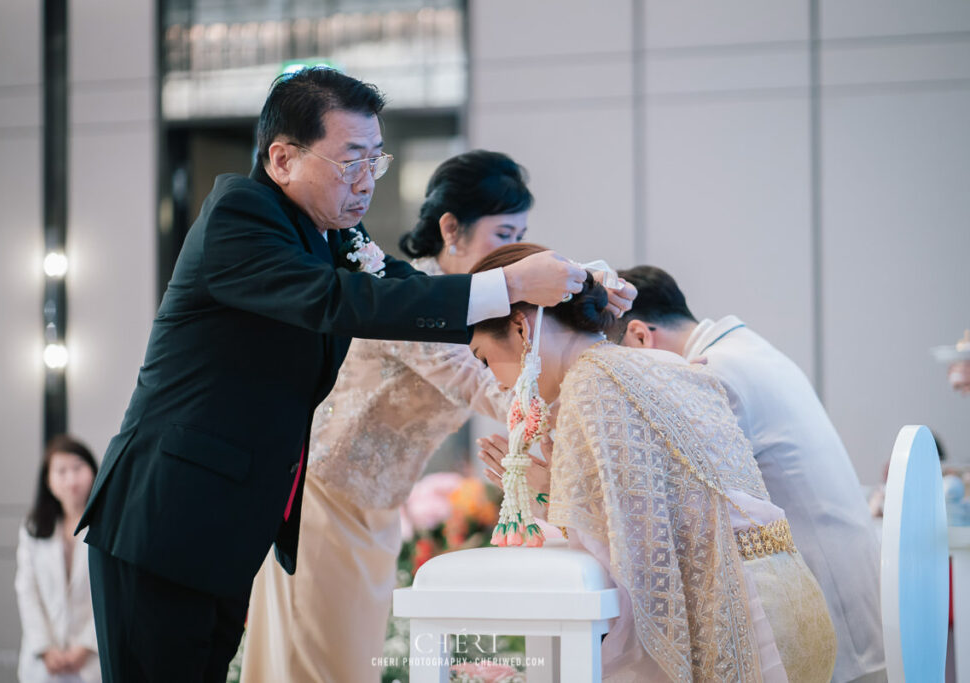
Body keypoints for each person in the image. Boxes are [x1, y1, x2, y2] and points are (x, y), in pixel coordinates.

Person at [75, 67, 633, 683]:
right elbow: (343, 303)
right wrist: (509, 285)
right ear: (282, 158)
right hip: (166, 517)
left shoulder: (334, 233)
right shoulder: (240, 215)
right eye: (350, 162)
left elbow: (408, 289)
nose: (367, 181)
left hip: (230, 526)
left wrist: (574, 289)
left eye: (377, 161)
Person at [473, 244, 836, 682]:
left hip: (745, 620)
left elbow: (637, 565)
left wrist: (546, 495)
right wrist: (560, 487)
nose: (495, 379)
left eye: (484, 358)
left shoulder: (589, 386)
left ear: (520, 327)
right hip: (795, 598)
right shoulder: (652, 362)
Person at [240, 149, 536, 681]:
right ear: (452, 229)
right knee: (318, 662)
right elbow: (481, 384)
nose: (514, 253)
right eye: (503, 234)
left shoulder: (480, 312)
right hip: (322, 498)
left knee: (353, 662)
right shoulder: (410, 295)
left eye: (522, 235)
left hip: (377, 510)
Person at [607, 265, 885, 682]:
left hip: (830, 618)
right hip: (853, 586)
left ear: (640, 336)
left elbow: (668, 508)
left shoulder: (712, 374)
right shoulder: (744, 348)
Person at [16, 435, 101, 683]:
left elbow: (112, 591)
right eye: (61, 471)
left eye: (78, 467)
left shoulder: (107, 526)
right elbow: (27, 591)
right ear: (48, 481)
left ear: (93, 471)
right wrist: (45, 647)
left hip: (91, 661)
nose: (71, 479)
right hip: (42, 664)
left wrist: (86, 645)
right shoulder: (33, 528)